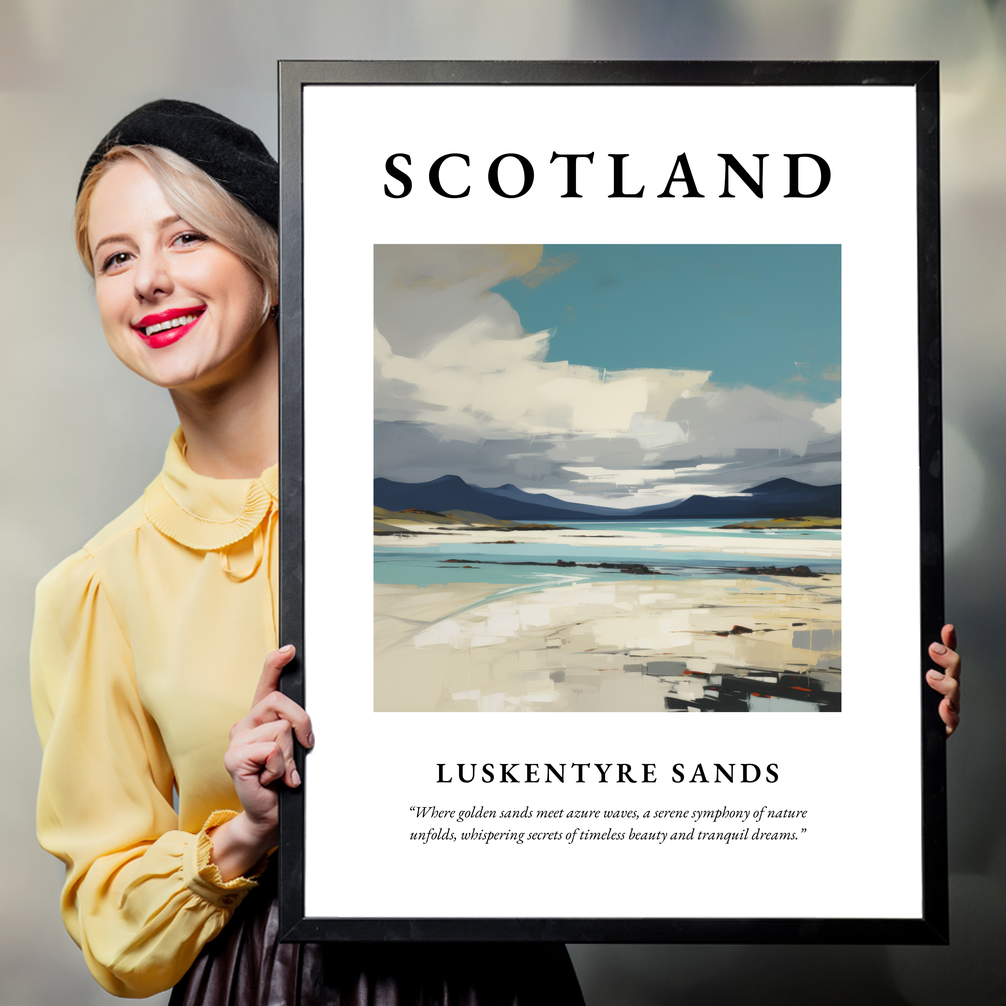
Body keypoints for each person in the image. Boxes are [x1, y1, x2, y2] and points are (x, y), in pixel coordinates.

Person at [30, 100, 585, 1004]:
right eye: (116, 257)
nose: (148, 281)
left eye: (186, 239)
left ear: (274, 264)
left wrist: (885, 707)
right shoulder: (98, 587)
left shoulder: (458, 499)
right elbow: (110, 924)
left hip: (492, 974)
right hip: (262, 982)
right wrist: (245, 832)